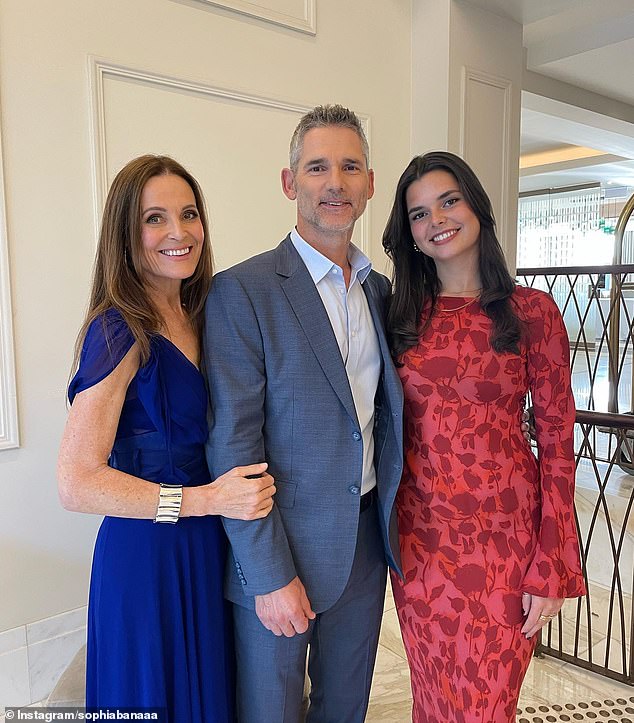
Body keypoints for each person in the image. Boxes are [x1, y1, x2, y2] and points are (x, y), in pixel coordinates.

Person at [57, 154, 276, 721]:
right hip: (147, 561)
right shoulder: (118, 329)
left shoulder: (204, 314)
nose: (179, 233)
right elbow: (75, 483)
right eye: (155, 218)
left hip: (208, 550)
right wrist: (205, 500)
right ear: (125, 233)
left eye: (189, 214)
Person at [204, 105, 404, 722]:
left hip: (366, 544)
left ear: (370, 183)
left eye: (350, 167)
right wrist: (267, 576)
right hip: (280, 551)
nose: (335, 182)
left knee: (345, 709)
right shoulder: (243, 291)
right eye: (318, 167)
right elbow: (233, 444)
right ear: (291, 184)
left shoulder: (380, 290)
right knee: (272, 712)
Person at [382, 151, 586, 723]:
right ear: (410, 233)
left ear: (476, 205)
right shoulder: (398, 314)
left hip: (504, 543)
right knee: (433, 698)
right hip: (420, 542)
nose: (437, 219)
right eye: (419, 213)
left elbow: (558, 440)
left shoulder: (532, 313)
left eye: (449, 200)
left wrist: (553, 559)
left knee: (486, 705)